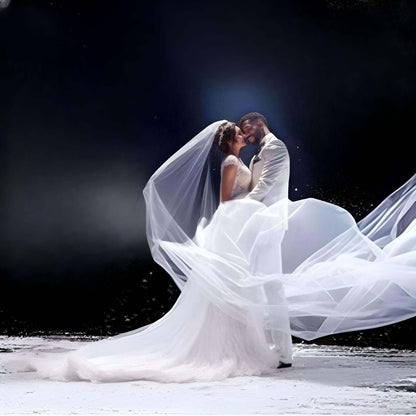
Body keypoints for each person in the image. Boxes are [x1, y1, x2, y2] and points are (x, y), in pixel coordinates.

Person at [8, 118, 416, 383]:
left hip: (244, 226)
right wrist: (243, 211)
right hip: (235, 224)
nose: (244, 134)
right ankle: (242, 348)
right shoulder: (231, 165)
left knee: (241, 289)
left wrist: (249, 210)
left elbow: (257, 191)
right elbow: (227, 202)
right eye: (239, 133)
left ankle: (255, 344)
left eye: (245, 129)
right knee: (237, 289)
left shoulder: (256, 156)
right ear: (232, 140)